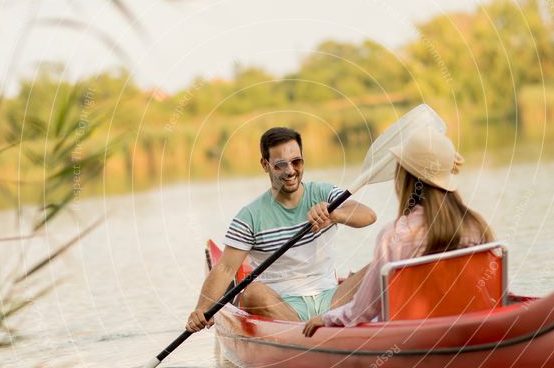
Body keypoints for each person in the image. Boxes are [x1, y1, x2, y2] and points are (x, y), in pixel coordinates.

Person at [302, 125, 493, 337]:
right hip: (468, 327)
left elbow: (362, 311)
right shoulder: (476, 225)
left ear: (406, 178)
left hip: (410, 337)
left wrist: (325, 318)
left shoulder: (394, 236)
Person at [186, 127, 377, 333]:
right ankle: (307, 334)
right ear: (265, 165)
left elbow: (368, 216)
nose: (290, 171)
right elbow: (225, 269)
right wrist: (201, 310)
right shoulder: (249, 216)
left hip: (332, 299)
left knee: (382, 266)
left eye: (296, 162)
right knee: (252, 293)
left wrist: (334, 216)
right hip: (281, 307)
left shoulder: (324, 192)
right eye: (280, 165)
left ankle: (324, 326)